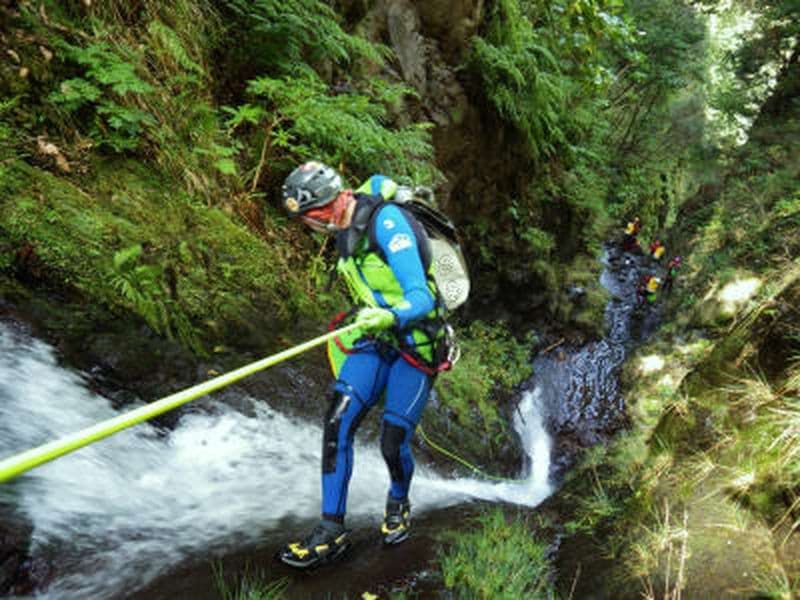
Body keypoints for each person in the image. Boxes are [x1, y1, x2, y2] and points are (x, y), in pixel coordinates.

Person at [277, 161, 448, 569]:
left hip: (418, 341)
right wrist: (375, 319)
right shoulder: (344, 225)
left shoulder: (386, 223)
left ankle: (398, 501)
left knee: (392, 441)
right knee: (338, 422)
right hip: (376, 339)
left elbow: (420, 296)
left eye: (307, 219)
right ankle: (331, 529)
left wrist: (391, 315)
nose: (309, 226)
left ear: (321, 209)